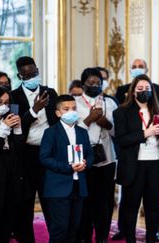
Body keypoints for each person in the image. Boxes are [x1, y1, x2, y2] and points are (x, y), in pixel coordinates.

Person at [113, 74, 159, 243]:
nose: (144, 92)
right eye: (140, 89)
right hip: (134, 165)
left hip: (155, 165)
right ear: (133, 92)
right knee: (131, 207)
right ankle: (130, 239)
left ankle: (151, 238)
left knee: (153, 207)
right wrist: (146, 133)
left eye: (147, 89)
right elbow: (122, 140)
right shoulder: (121, 112)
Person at [10, 56, 59, 242]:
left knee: (51, 201)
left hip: (48, 153)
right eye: (28, 75)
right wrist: (34, 110)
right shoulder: (14, 96)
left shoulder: (50, 93)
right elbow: (16, 126)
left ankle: (55, 237)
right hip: (26, 155)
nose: (32, 77)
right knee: (26, 203)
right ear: (19, 75)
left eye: (35, 73)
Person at [39, 95, 93, 243]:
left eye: (74, 108)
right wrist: (68, 168)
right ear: (58, 113)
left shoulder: (82, 132)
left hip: (79, 186)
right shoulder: (51, 132)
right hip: (58, 187)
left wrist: (85, 163)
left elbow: (90, 154)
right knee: (60, 228)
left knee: (74, 228)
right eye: (66, 109)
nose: (71, 112)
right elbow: (44, 158)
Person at [74, 68, 117, 243]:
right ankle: (84, 236)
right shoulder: (75, 103)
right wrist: (90, 119)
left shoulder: (110, 103)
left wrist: (106, 123)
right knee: (85, 201)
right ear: (83, 83)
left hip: (106, 157)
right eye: (90, 83)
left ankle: (102, 237)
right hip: (83, 157)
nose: (94, 85)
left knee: (104, 202)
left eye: (98, 83)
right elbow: (72, 131)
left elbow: (117, 131)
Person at [0, 86, 23, 242]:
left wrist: (18, 129)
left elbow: (20, 151)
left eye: (7, 102)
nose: (4, 106)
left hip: (10, 178)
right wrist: (2, 129)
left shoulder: (9, 119)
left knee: (6, 225)